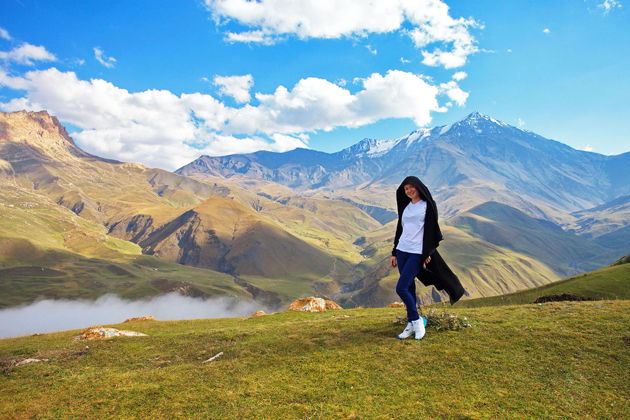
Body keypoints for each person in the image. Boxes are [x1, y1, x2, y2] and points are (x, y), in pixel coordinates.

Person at [390, 176, 465, 340]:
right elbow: (400, 229)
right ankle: (411, 323)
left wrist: (427, 254)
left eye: (411, 187)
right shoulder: (406, 206)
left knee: (400, 288)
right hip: (403, 250)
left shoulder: (427, 206)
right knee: (408, 287)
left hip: (417, 251)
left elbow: (432, 232)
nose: (409, 191)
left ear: (418, 187)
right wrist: (394, 252)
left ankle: (418, 321)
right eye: (405, 189)